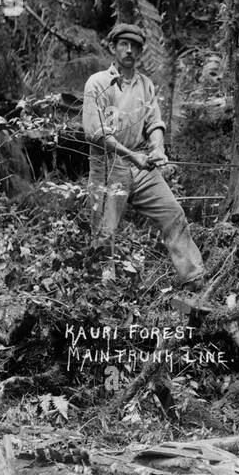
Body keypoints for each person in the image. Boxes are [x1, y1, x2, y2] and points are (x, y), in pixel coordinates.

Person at [82, 22, 205, 289]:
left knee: (173, 214)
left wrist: (157, 149)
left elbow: (154, 123)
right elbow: (96, 133)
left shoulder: (146, 85)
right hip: (108, 165)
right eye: (124, 44)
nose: (129, 50)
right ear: (113, 48)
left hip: (142, 165)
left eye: (135, 46)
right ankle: (101, 296)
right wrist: (131, 156)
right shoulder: (99, 84)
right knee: (104, 234)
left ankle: (195, 282)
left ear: (139, 52)